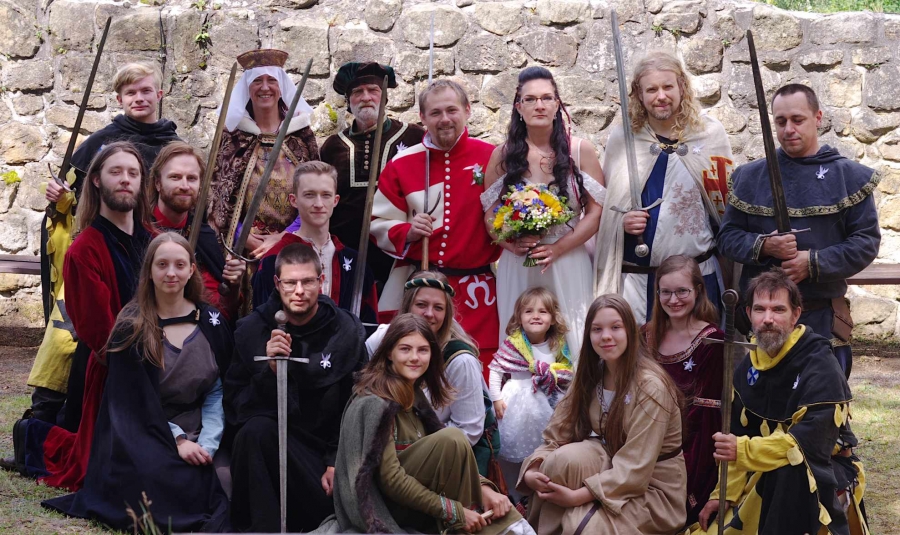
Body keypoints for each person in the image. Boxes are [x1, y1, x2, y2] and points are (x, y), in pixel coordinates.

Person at [41, 233, 231, 532]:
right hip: (141, 431)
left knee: (226, 480)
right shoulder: (132, 326)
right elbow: (131, 404)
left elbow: (216, 392)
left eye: (180, 265)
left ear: (192, 270)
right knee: (158, 479)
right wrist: (179, 441)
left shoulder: (211, 322)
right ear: (149, 270)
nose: (171, 273)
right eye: (162, 264)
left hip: (202, 427)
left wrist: (207, 444)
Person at [31, 61, 180, 426]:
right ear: (119, 99)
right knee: (67, 337)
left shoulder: (173, 146)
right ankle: (47, 417)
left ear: (160, 94)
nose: (139, 98)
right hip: (99, 250)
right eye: (131, 92)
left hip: (151, 252)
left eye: (146, 90)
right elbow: (72, 202)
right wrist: (60, 198)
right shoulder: (100, 144)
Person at [315, 314, 532, 535]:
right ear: (389, 353)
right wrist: (454, 512)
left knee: (455, 445)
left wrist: (484, 489)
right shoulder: (373, 402)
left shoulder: (414, 395)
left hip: (419, 498)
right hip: (384, 508)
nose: (414, 357)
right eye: (405, 349)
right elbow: (391, 480)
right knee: (452, 438)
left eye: (423, 350)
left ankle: (508, 526)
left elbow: (451, 461)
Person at [718, 84, 880, 378]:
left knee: (821, 402)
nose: (788, 129)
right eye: (781, 121)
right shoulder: (750, 177)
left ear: (818, 118)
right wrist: (764, 246)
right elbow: (727, 238)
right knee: (761, 402)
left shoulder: (848, 176)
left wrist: (813, 262)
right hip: (763, 321)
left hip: (820, 317)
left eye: (798, 119)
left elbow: (865, 242)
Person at [16, 142, 153, 491]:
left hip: (158, 365)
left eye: (133, 173)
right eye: (115, 171)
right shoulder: (85, 250)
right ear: (96, 180)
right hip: (113, 371)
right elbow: (100, 335)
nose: (125, 179)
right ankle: (33, 434)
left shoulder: (154, 243)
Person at [694, 268, 867, 535]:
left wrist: (743, 450)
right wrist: (724, 493)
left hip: (818, 473)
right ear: (749, 314)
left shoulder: (820, 365)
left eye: (778, 309)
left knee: (790, 471)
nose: (768, 319)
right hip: (762, 471)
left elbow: (809, 446)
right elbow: (737, 434)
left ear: (795, 314)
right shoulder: (747, 368)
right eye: (759, 309)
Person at [225, 243, 367, 532]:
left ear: (321, 280)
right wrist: (269, 372)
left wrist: (336, 461)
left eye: (307, 281)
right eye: (290, 283)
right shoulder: (253, 329)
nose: (299, 291)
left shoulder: (344, 331)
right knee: (253, 432)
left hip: (327, 459)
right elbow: (236, 406)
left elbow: (359, 405)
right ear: (277, 283)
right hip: (274, 453)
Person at [518, 294, 686, 534]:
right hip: (610, 462)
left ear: (630, 331)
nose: (606, 336)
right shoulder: (591, 374)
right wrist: (533, 470)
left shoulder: (651, 387)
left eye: (615, 327)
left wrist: (577, 497)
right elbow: (557, 433)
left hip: (652, 485)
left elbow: (635, 468)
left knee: (582, 526)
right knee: (560, 462)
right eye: (597, 329)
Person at [371, 79, 501, 376]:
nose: (444, 119)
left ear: (467, 110)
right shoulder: (403, 163)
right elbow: (377, 224)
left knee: (479, 370)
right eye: (435, 112)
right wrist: (408, 231)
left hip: (478, 292)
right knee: (414, 368)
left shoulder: (492, 157)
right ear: (422, 117)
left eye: (452, 110)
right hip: (421, 289)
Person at [595, 50, 734, 325]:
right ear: (639, 93)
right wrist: (622, 222)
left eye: (668, 87)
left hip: (698, 278)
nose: (661, 96)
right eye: (651, 89)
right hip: (638, 281)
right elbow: (607, 212)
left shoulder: (709, 134)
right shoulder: (624, 139)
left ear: (681, 86)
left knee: (700, 350)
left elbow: (725, 208)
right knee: (640, 351)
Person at [481, 66, 605, 357]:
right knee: (520, 339)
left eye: (547, 98)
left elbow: (596, 212)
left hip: (568, 259)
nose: (539, 105)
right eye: (531, 99)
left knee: (573, 333)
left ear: (557, 104)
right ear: (518, 107)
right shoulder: (502, 155)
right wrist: (511, 245)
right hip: (519, 263)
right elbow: (490, 213)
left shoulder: (580, 151)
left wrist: (559, 248)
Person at [366, 271, 502, 484]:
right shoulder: (381, 341)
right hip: (382, 449)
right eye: (421, 304)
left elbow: (469, 431)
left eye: (438, 308)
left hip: (439, 461)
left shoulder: (460, 360)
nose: (429, 314)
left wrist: (415, 448)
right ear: (407, 306)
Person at [320, 62, 426, 288]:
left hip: (399, 253)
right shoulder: (333, 146)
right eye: (358, 92)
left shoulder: (414, 137)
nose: (366, 97)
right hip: (346, 254)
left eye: (373, 90)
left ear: (384, 97)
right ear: (349, 101)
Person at [210, 48, 319, 261]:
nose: (265, 87)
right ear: (247, 88)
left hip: (294, 247)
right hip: (245, 251)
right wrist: (243, 237)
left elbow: (318, 192)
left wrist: (285, 237)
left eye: (272, 80)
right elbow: (217, 196)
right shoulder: (233, 138)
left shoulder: (302, 137)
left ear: (281, 87)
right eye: (257, 81)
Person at [643, 254, 723, 526]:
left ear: (698, 290)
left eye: (682, 291)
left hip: (689, 445)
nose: (673, 300)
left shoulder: (712, 341)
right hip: (641, 436)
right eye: (665, 292)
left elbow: (706, 414)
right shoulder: (645, 335)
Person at [251, 161, 378, 324]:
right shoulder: (273, 259)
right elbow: (262, 324)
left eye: (326, 195)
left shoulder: (356, 263)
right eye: (309, 195)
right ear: (294, 200)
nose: (318, 204)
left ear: (335, 200)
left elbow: (369, 325)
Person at [488, 287, 573, 503]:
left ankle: (539, 488)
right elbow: (496, 370)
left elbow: (566, 372)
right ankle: (516, 493)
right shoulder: (512, 344)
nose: (535, 316)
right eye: (528, 311)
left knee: (543, 446)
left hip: (547, 403)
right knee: (514, 446)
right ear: (519, 317)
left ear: (553, 318)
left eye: (543, 311)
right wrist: (496, 398)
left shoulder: (557, 344)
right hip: (515, 404)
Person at [148, 141, 246, 320]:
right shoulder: (141, 231)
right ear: (157, 183)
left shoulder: (203, 234)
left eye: (192, 178)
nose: (185, 186)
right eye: (175, 177)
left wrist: (233, 286)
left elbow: (225, 310)